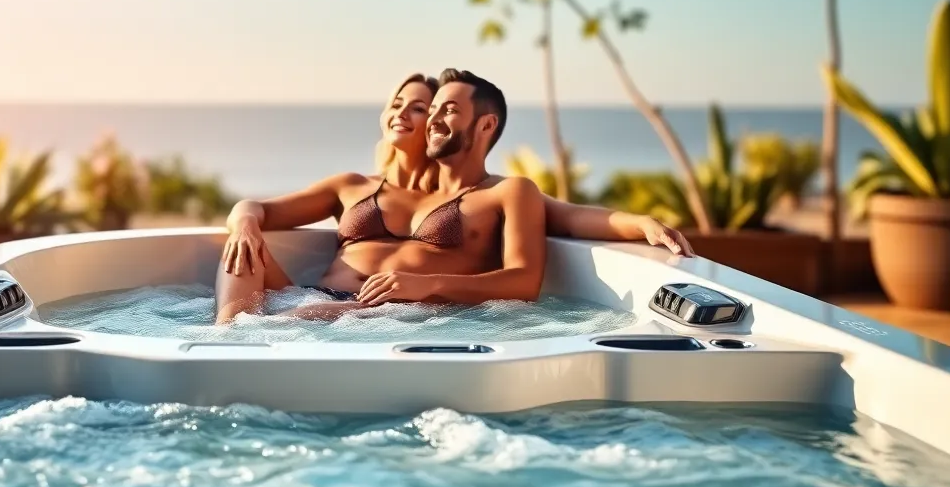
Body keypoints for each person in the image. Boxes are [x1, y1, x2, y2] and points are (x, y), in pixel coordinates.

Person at [215, 68, 693, 324]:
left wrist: (641, 223)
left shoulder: (505, 192)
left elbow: (565, 222)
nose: (429, 119)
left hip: (388, 312)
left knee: (289, 323)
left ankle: (238, 343)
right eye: (426, 109)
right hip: (316, 298)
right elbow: (256, 208)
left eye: (437, 110)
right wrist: (245, 222)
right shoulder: (363, 186)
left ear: (484, 125)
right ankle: (223, 337)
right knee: (241, 250)